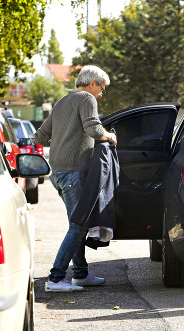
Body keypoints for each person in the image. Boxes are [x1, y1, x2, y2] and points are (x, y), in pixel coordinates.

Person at [35, 65, 117, 292]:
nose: (101, 93)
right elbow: (93, 128)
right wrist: (110, 136)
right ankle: (55, 278)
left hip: (58, 173)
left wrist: (63, 140)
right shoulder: (86, 99)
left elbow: (40, 136)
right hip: (73, 173)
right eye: (102, 88)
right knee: (79, 226)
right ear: (92, 83)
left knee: (76, 223)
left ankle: (80, 274)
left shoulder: (63, 101)